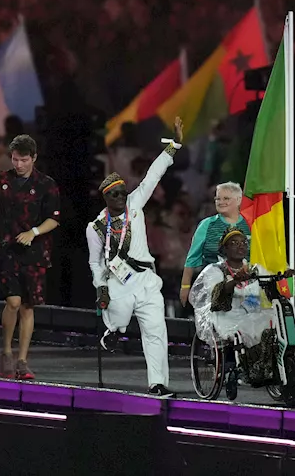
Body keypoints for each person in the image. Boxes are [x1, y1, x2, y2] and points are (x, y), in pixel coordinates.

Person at [86, 116, 183, 397]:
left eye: (121, 191)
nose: (119, 197)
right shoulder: (96, 227)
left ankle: (158, 383)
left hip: (147, 279)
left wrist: (173, 146)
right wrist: (100, 288)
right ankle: (112, 332)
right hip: (117, 282)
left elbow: (153, 176)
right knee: (118, 317)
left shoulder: (135, 205)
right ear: (105, 198)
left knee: (155, 331)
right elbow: (95, 263)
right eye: (113, 194)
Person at [0, 134, 61, 380]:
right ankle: (6, 352)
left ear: (33, 158)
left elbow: (54, 218)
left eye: (23, 160)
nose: (18, 164)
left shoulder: (46, 184)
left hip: (34, 252)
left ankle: (23, 359)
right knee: (13, 302)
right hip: (6, 250)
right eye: (14, 159)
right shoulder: (0, 181)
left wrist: (33, 232)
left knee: (28, 307)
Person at [189, 227, 295, 387]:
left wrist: (284, 277)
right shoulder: (215, 270)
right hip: (228, 316)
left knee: (275, 325)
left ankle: (271, 370)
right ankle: (250, 370)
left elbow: (272, 283)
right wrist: (234, 281)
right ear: (225, 248)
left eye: (243, 243)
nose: (240, 246)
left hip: (254, 313)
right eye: (234, 243)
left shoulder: (255, 269)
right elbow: (216, 297)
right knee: (249, 330)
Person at [180, 182, 250, 305]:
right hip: (213, 285)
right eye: (217, 198)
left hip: (247, 287)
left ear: (239, 200)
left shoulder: (251, 224)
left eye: (226, 198)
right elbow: (192, 258)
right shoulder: (207, 225)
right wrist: (185, 286)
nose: (220, 202)